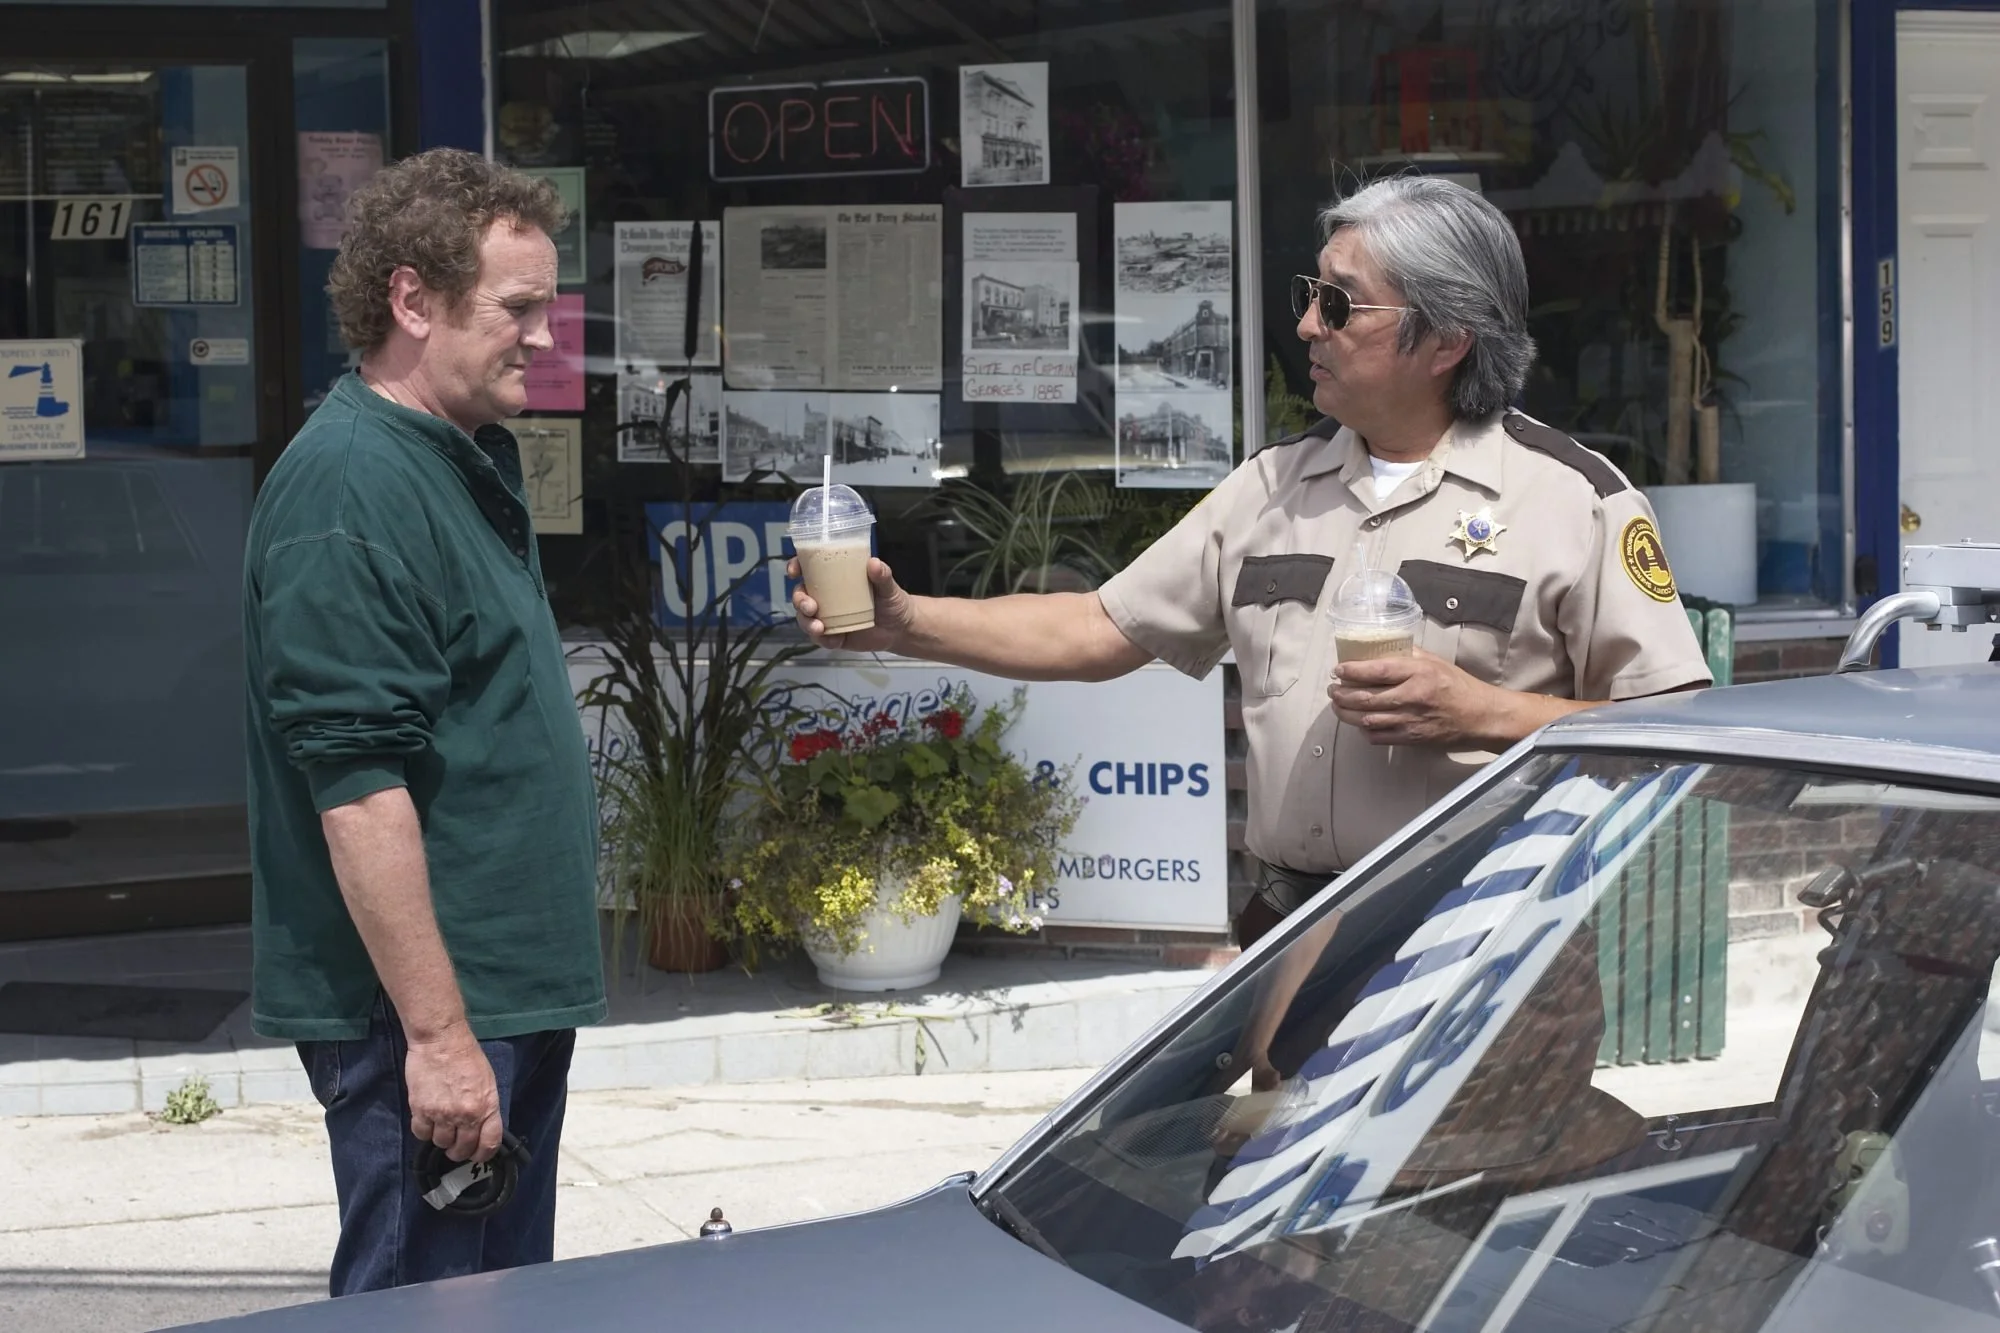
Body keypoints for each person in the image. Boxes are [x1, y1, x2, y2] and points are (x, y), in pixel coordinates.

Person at [792, 175, 1712, 956]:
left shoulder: (1573, 499)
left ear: (1445, 340)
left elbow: (1682, 728)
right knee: (1254, 1162)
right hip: (1288, 933)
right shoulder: (1274, 486)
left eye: (1341, 304)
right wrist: (905, 621)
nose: (1308, 323)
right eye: (1312, 291)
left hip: (1481, 939)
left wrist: (1487, 712)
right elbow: (1096, 626)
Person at [242, 148, 603, 1295]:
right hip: (431, 1019)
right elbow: (357, 790)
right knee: (419, 1306)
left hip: (500, 997)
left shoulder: (453, 456)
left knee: (497, 1304)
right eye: (517, 308)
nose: (543, 337)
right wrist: (439, 1041)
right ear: (411, 300)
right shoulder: (351, 489)